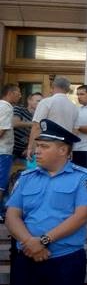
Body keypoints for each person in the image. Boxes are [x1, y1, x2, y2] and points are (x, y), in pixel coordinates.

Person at [5, 119, 87, 285]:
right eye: (38, 146)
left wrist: (42, 241)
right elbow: (11, 215)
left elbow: (81, 217)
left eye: (44, 146)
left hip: (65, 260)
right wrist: (30, 243)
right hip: (27, 257)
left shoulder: (82, 178)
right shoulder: (27, 177)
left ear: (63, 150)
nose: (37, 151)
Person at [26, 76, 79, 160]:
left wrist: (30, 147)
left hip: (46, 146)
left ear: (53, 87)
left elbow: (37, 126)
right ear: (67, 89)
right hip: (64, 147)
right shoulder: (74, 107)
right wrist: (70, 149)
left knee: (43, 172)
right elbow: (75, 131)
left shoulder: (46, 102)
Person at [0, 84, 22, 220]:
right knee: (1, 184)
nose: (20, 95)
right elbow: (1, 130)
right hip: (3, 152)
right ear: (11, 93)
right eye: (18, 92)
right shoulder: (6, 107)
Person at [13, 92, 42, 163]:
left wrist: (29, 148)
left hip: (24, 152)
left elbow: (36, 135)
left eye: (42, 101)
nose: (40, 103)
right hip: (11, 150)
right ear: (29, 100)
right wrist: (34, 124)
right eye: (38, 101)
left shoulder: (39, 117)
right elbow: (14, 123)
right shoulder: (19, 109)